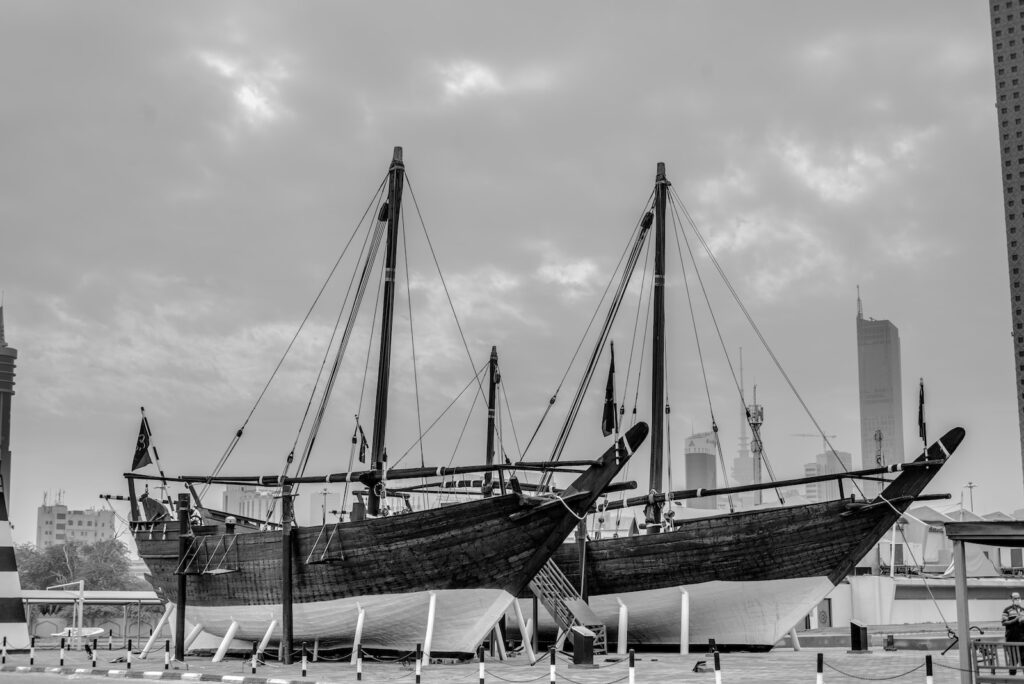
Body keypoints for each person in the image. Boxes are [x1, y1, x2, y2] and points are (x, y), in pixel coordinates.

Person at [1002, 591, 1024, 674]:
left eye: (1018, 598)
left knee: (1023, 661)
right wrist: (1015, 620)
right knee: (1013, 661)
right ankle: (1012, 678)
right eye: (1015, 598)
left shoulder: (1023, 610)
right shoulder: (1007, 610)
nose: (1017, 599)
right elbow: (1004, 622)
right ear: (1011, 599)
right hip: (1011, 639)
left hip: (1022, 640)